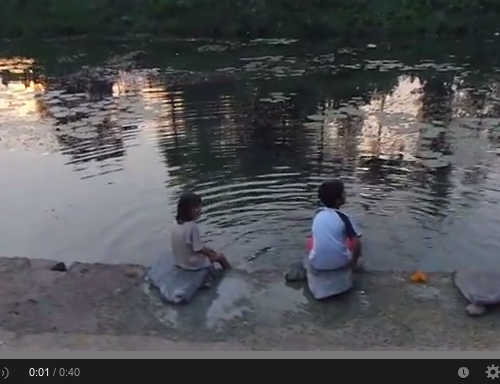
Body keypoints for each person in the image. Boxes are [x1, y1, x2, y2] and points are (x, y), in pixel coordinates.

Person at [305, 179, 363, 300]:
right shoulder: (344, 218)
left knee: (311, 239)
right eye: (344, 193)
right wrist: (354, 264)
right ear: (338, 200)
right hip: (340, 264)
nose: (346, 195)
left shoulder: (318, 215)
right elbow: (357, 244)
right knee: (352, 240)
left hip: (316, 263)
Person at [171, 191, 231, 271]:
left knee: (208, 249)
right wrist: (211, 254)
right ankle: (230, 273)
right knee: (221, 257)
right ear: (186, 209)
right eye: (195, 207)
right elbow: (198, 249)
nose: (199, 209)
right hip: (192, 264)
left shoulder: (175, 223)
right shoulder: (192, 226)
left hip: (179, 261)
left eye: (199, 206)